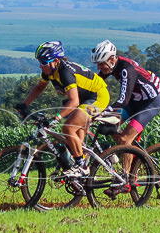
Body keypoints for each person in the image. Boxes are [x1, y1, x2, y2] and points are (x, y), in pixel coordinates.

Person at [15, 40, 110, 178]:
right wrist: (24, 105)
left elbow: (73, 101)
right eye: (40, 62)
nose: (41, 66)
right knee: (75, 136)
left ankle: (82, 167)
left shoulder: (65, 72)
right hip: (83, 97)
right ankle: (83, 172)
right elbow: (39, 87)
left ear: (55, 61)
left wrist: (56, 118)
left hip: (97, 96)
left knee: (68, 127)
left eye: (44, 63)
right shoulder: (50, 71)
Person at [91, 39, 160, 152]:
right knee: (106, 127)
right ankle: (128, 153)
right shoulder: (111, 65)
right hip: (134, 102)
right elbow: (95, 84)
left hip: (149, 104)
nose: (99, 68)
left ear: (111, 59)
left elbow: (123, 101)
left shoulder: (127, 69)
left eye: (101, 64)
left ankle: (127, 169)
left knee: (125, 140)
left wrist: (104, 111)